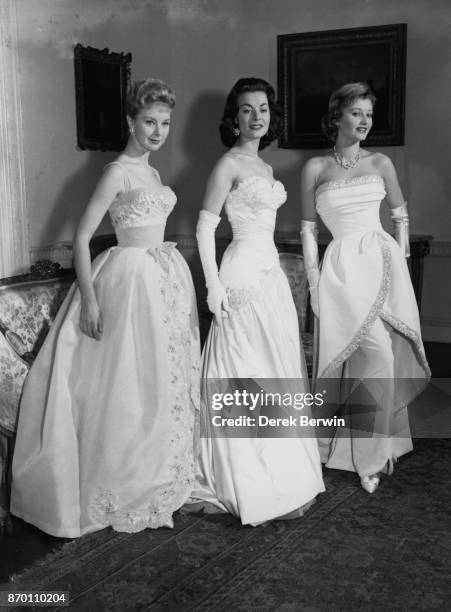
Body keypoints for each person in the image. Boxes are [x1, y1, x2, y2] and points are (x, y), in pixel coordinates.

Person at [11, 79, 200, 536]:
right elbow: (79, 238)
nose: (157, 131)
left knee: (160, 378)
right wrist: (90, 299)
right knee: (127, 383)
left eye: (164, 123)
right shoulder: (116, 171)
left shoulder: (153, 175)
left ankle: (161, 474)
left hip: (161, 278)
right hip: (127, 280)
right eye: (149, 122)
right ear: (131, 121)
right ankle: (125, 481)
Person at [188, 77, 325, 525]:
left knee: (275, 366)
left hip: (270, 275)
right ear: (234, 117)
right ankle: (240, 477)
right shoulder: (227, 164)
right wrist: (212, 285)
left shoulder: (265, 169)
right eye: (247, 109)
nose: (257, 116)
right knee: (243, 367)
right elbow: (205, 229)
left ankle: (283, 471)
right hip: (239, 273)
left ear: (272, 114)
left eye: (263, 108)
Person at [300, 82, 430, 494]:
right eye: (357, 113)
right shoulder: (315, 168)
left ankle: (371, 459)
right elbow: (307, 230)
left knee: (378, 358)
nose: (365, 122)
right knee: (338, 361)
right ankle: (327, 449)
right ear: (337, 116)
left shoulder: (381, 163)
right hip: (338, 271)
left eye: (369, 116)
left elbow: (400, 215)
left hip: (379, 263)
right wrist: (315, 285)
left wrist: (400, 263)